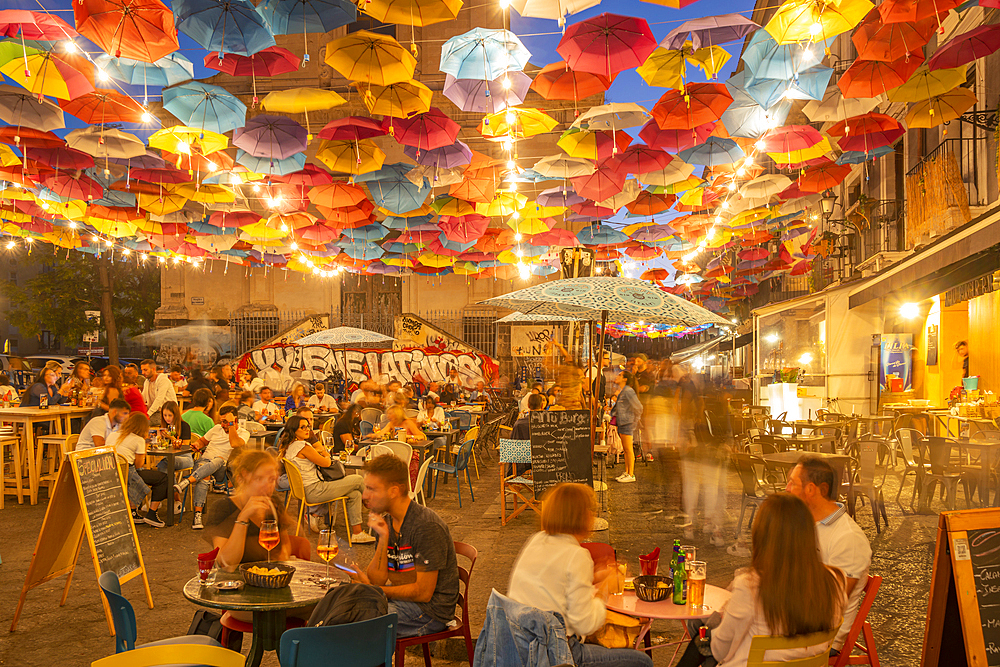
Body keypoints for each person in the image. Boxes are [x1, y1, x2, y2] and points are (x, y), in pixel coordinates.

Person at [676, 493, 846, 667]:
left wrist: (726, 611)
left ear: (763, 537)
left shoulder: (751, 585)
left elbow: (719, 650)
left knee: (704, 640)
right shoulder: (835, 581)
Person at [507, 483, 652, 667]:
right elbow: (586, 624)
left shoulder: (536, 540)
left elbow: (556, 585)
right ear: (580, 516)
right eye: (590, 511)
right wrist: (605, 588)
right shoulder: (577, 556)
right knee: (642, 662)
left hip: (520, 647)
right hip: (557, 654)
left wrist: (595, 578)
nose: (592, 516)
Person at [350, 454, 460, 637]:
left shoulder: (426, 526)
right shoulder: (388, 521)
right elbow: (377, 580)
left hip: (430, 611)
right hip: (403, 602)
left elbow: (423, 593)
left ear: (393, 491)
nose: (365, 496)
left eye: (371, 489)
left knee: (357, 621)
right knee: (343, 607)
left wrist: (375, 591)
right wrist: (383, 539)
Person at [785, 456, 872, 655]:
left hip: (821, 638)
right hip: (791, 622)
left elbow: (831, 604)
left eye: (793, 483)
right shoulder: (802, 523)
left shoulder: (848, 538)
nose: (787, 489)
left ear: (812, 490)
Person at [279, 415, 376, 541]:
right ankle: (374, 505)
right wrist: (324, 452)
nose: (307, 429)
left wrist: (318, 453)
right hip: (314, 490)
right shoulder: (303, 446)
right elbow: (327, 463)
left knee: (355, 494)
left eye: (307, 426)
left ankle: (357, 534)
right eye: (302, 427)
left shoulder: (290, 446)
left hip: (304, 490)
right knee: (357, 479)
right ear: (294, 430)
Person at [203, 449, 293, 567]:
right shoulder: (223, 508)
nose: (267, 485)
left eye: (271, 479)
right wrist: (243, 518)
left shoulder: (274, 505)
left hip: (268, 578)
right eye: (259, 478)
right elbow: (226, 563)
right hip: (237, 581)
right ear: (241, 478)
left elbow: (284, 552)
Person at [174, 405, 249, 530]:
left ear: (234, 420)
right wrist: (197, 444)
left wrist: (231, 426)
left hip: (222, 469)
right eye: (221, 421)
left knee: (219, 459)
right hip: (204, 462)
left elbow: (235, 444)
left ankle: (187, 481)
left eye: (225, 422)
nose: (222, 425)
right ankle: (197, 516)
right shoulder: (216, 429)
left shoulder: (243, 433)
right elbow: (203, 441)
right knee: (205, 475)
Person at [109, 412, 170, 528]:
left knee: (133, 474)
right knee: (163, 478)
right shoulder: (138, 440)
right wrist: (145, 447)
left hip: (110, 472)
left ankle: (133, 512)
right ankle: (151, 513)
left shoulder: (113, 434)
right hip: (127, 472)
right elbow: (139, 465)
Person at [612, 370, 643, 484]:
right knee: (625, 449)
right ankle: (627, 472)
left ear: (625, 379)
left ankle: (631, 474)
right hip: (623, 422)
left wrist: (633, 420)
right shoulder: (624, 391)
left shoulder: (628, 391)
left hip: (627, 423)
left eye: (620, 375)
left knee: (628, 449)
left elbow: (638, 407)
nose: (617, 376)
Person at [156, 400, 193, 473]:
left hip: (185, 457)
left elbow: (185, 446)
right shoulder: (165, 427)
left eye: (170, 415)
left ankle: (170, 484)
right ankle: (172, 484)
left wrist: (172, 438)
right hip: (169, 457)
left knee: (165, 464)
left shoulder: (184, 426)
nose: (167, 418)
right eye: (165, 415)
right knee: (165, 464)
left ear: (175, 415)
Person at [140, 359, 177, 426]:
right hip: (154, 412)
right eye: (142, 370)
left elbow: (159, 399)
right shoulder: (147, 382)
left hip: (166, 412)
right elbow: (143, 398)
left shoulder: (163, 380)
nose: (142, 373)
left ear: (153, 369)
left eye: (145, 370)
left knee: (142, 423)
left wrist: (148, 414)